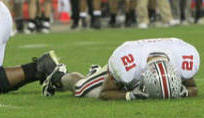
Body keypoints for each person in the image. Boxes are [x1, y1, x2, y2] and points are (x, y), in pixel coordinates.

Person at [42, 38, 199, 100]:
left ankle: (93, 73)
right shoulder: (126, 65)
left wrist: (184, 92)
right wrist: (130, 95)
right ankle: (59, 75)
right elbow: (105, 93)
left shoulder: (181, 59)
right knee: (81, 89)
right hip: (121, 66)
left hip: (139, 65)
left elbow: (193, 88)